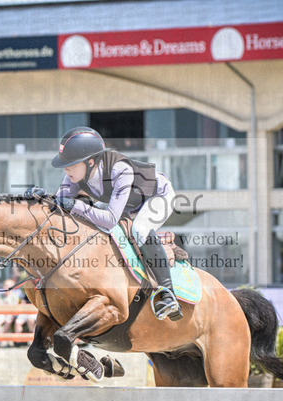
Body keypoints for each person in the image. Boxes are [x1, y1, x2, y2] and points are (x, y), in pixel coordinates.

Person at [27, 126, 182, 321]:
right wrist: (41, 199)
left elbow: (110, 220)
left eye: (71, 164)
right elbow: (59, 203)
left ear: (90, 161)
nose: (66, 169)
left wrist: (76, 205)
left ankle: (167, 293)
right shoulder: (75, 175)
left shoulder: (120, 170)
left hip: (158, 196)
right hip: (128, 203)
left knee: (140, 229)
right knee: (90, 223)